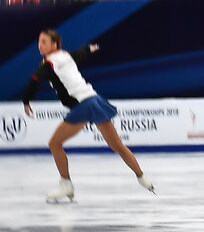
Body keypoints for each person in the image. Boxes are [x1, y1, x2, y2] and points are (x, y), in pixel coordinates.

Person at [21, 29, 154, 203]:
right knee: (117, 145)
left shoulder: (50, 63)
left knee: (54, 143)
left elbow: (34, 80)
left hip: (83, 105)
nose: (40, 45)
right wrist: (89, 49)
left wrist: (26, 101)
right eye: (39, 41)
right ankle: (143, 178)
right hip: (94, 99)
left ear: (54, 45)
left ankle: (66, 184)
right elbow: (79, 54)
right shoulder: (65, 55)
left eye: (44, 42)